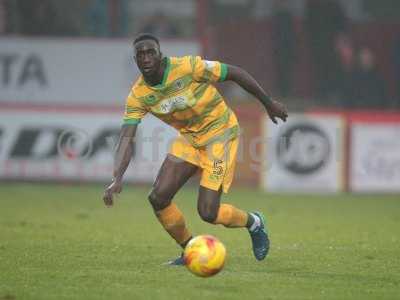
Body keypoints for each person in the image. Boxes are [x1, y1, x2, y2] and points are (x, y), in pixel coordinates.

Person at [103, 33, 288, 265]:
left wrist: (268, 103)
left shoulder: (188, 67)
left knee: (208, 212)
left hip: (220, 136)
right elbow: (126, 136)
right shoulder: (138, 95)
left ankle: (254, 222)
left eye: (151, 52)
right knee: (158, 198)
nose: (147, 58)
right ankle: (190, 250)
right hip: (190, 139)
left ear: (160, 55)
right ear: (135, 60)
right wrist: (117, 178)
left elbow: (235, 73)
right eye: (141, 54)